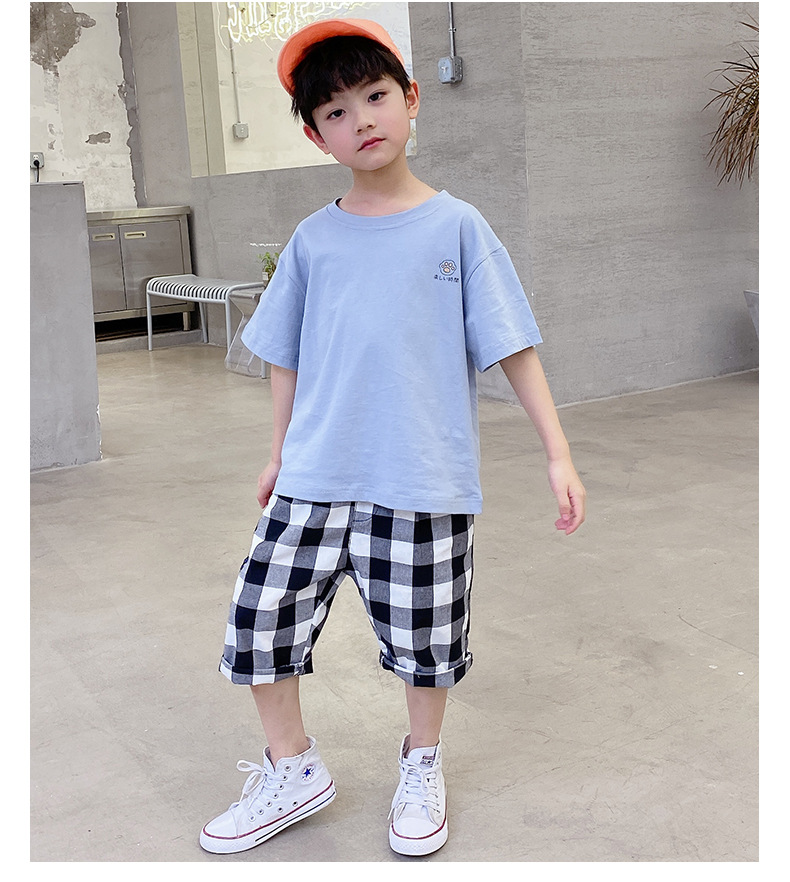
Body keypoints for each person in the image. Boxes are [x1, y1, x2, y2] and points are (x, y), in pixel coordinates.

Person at [199, 18, 586, 858]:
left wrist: (557, 452)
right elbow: (284, 355)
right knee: (259, 622)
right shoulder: (314, 239)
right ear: (317, 135)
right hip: (315, 474)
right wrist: (278, 452)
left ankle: (422, 762)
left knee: (426, 644)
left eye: (375, 96)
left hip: (423, 478)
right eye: (335, 111)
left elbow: (512, 344)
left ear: (411, 100)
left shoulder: (458, 227)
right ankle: (293, 767)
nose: (361, 119)